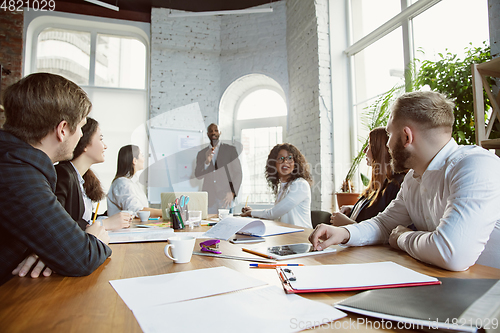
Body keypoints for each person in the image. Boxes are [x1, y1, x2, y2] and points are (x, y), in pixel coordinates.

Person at [309, 91, 500, 271]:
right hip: (448, 286)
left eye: (390, 135)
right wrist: (345, 233)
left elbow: (451, 253)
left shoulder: (475, 166)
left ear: (406, 136)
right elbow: (384, 225)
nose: (387, 144)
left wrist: (401, 237)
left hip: (489, 295)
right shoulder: (413, 178)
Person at [0, 73, 111, 285]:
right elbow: (82, 256)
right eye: (79, 126)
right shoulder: (16, 172)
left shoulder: (15, 161)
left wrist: (47, 250)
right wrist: (95, 239)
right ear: (62, 130)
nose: (80, 134)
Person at [55, 117, 132, 231]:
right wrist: (104, 223)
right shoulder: (62, 175)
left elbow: (82, 218)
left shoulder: (80, 178)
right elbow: (59, 224)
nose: (105, 146)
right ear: (84, 143)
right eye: (100, 139)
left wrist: (110, 218)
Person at [331, 127, 405, 226]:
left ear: (380, 150)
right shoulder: (378, 185)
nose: (365, 150)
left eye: (369, 145)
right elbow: (372, 214)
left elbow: (384, 231)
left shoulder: (396, 186)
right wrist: (353, 209)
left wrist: (348, 224)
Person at [241, 143, 313, 228]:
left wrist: (251, 213)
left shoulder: (300, 185)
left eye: (289, 158)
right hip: (287, 236)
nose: (285, 162)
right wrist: (252, 212)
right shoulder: (283, 187)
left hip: (302, 237)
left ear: (295, 163)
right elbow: (277, 215)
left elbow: (273, 214)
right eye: (280, 158)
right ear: (274, 164)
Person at [195, 123, 242, 214]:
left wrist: (232, 192)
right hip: (209, 198)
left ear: (219, 133)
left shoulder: (230, 150)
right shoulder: (202, 153)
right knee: (209, 225)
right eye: (211, 131)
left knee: (226, 225)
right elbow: (198, 176)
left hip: (225, 197)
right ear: (207, 134)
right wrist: (207, 162)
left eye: (216, 130)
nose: (213, 133)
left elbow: (238, 173)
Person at [107, 144, 163, 217]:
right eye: (142, 155)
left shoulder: (133, 182)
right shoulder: (122, 183)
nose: (144, 159)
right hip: (123, 227)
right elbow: (136, 210)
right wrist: (165, 213)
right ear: (135, 160)